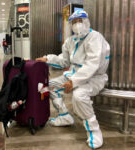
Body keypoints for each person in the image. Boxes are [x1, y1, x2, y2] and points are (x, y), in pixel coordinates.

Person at [36, 10, 110, 149]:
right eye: (74, 22)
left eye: (80, 21)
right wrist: (47, 59)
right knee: (49, 86)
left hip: (94, 78)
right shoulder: (71, 40)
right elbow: (64, 61)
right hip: (73, 75)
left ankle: (94, 130)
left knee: (79, 95)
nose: (77, 25)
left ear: (86, 21)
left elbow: (92, 64)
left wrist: (74, 82)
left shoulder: (95, 38)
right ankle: (64, 115)